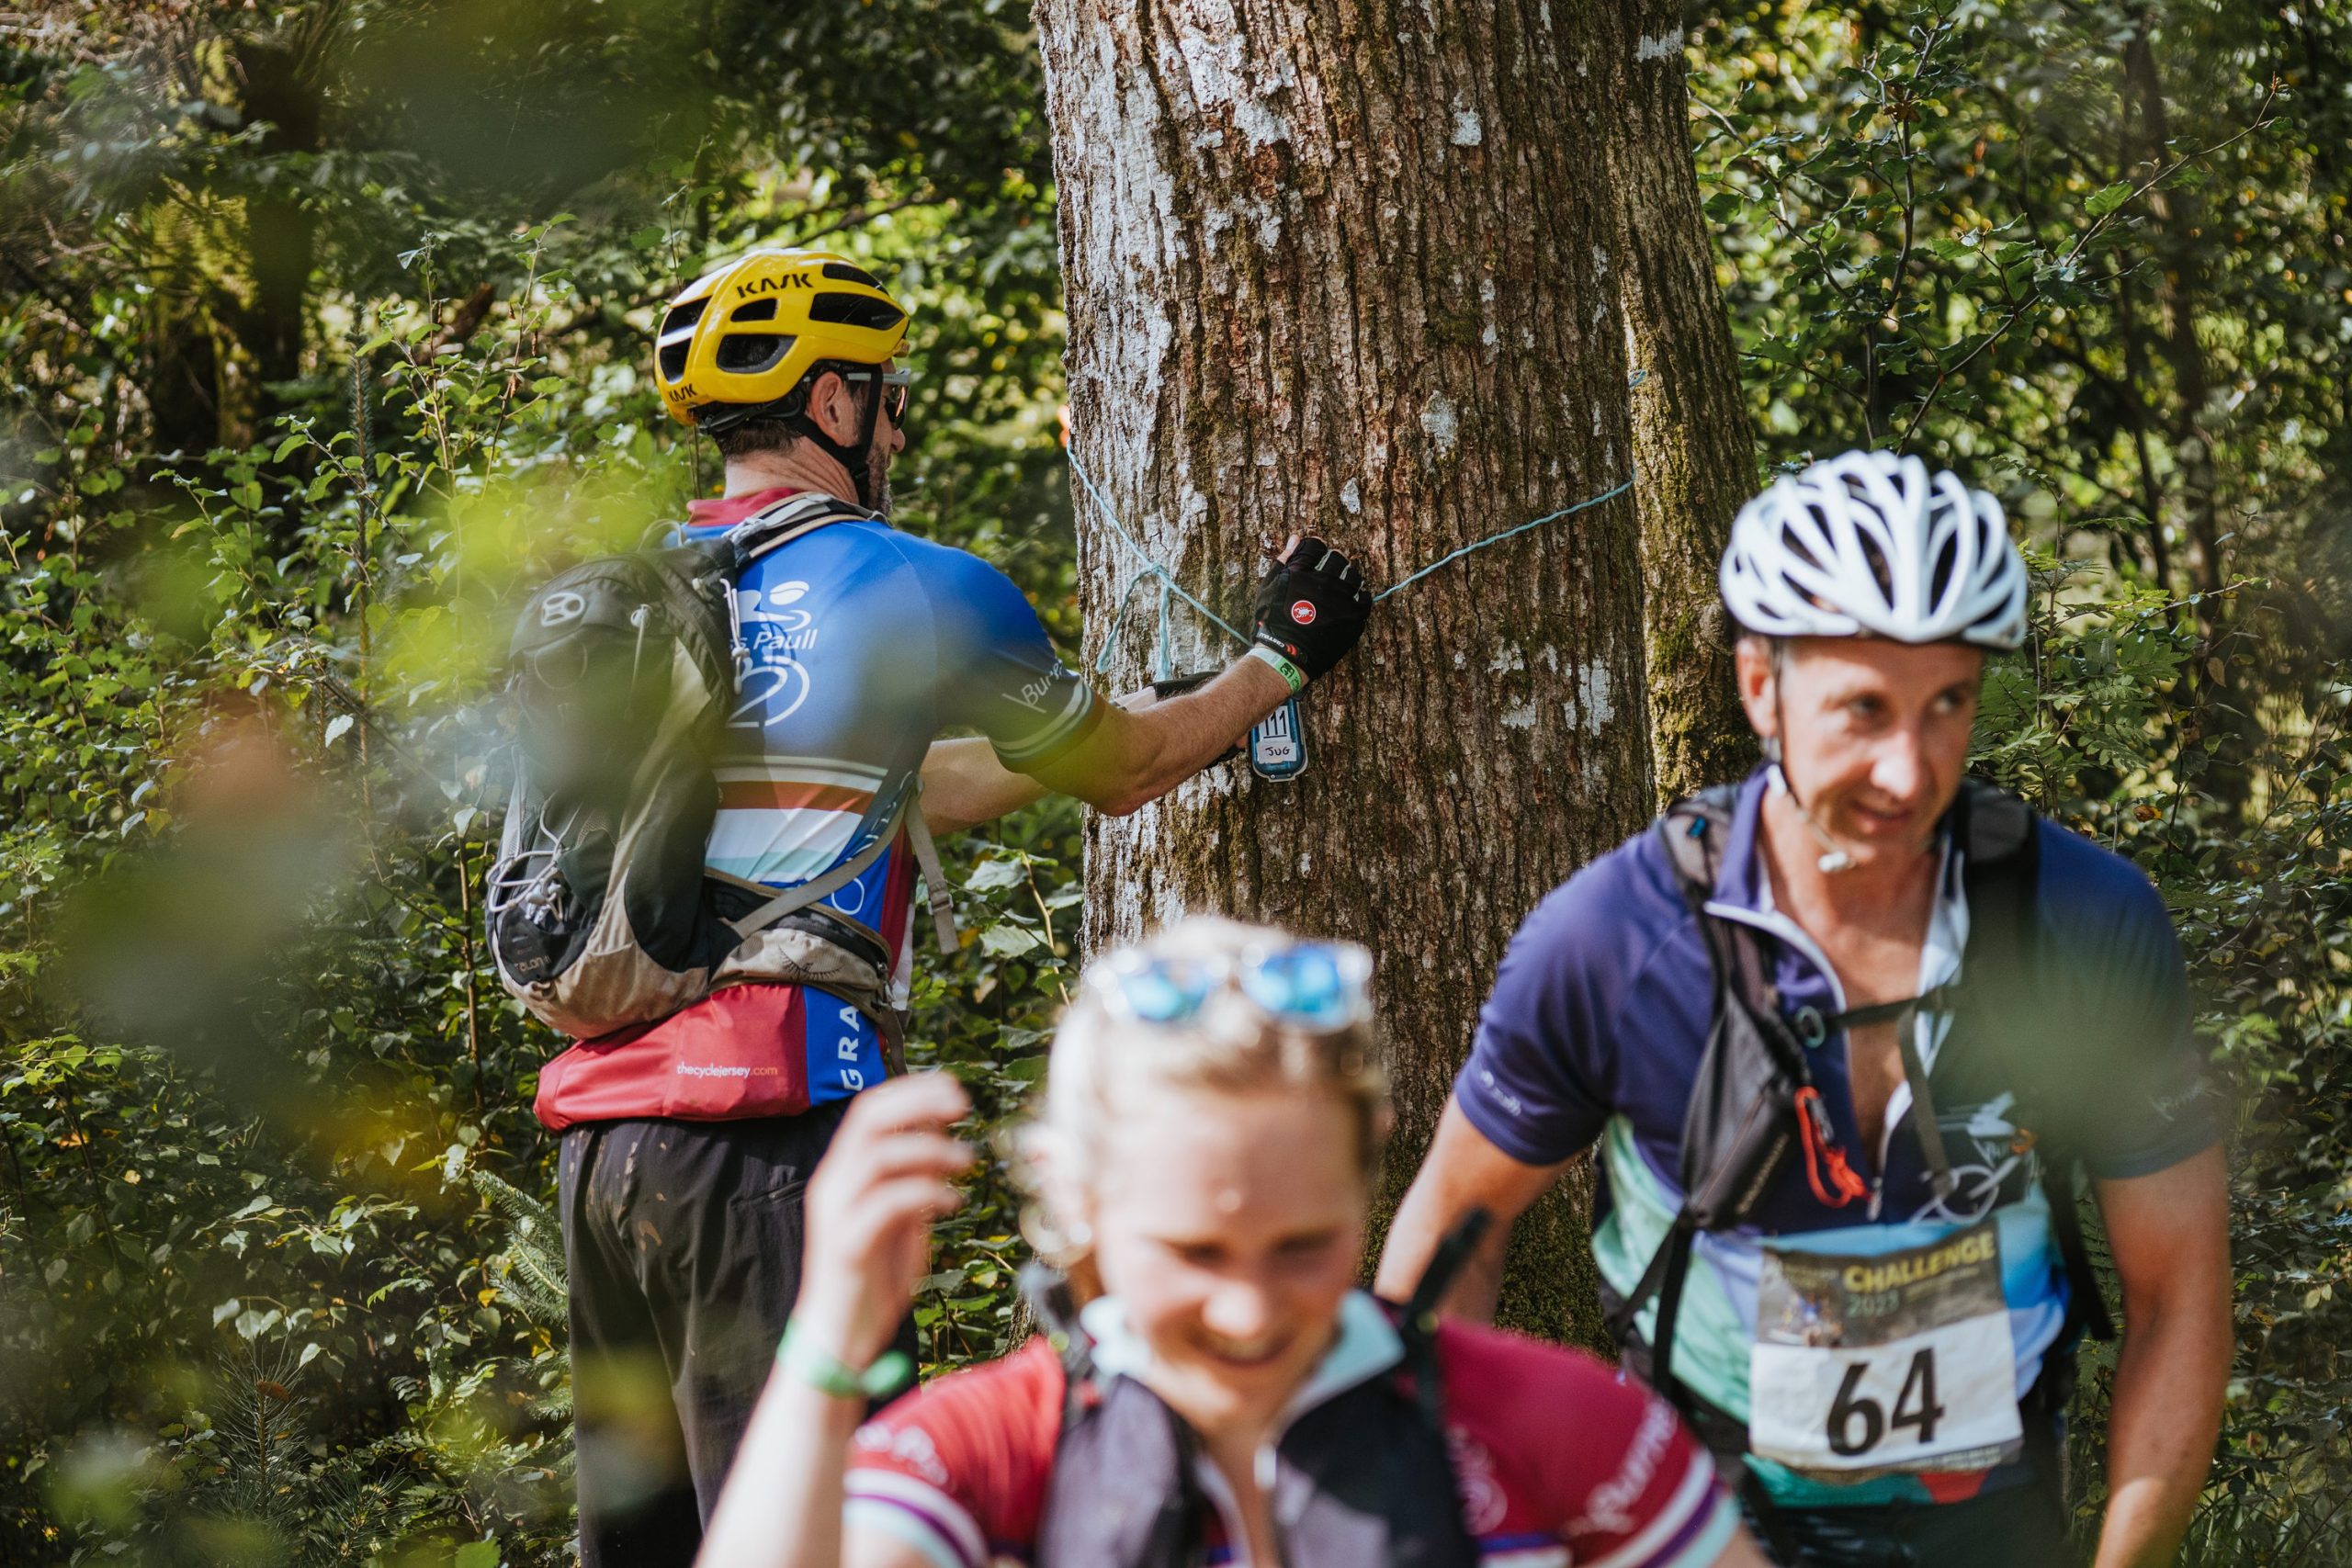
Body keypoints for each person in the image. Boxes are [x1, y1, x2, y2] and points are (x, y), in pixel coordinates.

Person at [548, 248, 1376, 1566]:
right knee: (822, 1531)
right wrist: (1280, 658)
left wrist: (1137, 722)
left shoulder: (648, 591)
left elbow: (902, 788)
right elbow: (1126, 770)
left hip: (603, 1147)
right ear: (832, 403)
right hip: (768, 1135)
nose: (895, 427)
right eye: (886, 397)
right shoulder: (916, 584)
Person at [1375, 451, 2231, 1568]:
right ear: (1759, 688)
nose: (1907, 772)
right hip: (1695, 1514)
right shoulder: (1614, 940)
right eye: (1862, 709)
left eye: (1947, 705)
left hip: (1993, 1510)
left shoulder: (2082, 922)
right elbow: (1448, 1239)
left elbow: (2177, 1290)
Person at [697, 915, 1771, 1568]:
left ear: (1367, 1178)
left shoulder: (1563, 1431)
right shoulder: (992, 1454)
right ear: (1077, 1204)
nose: (1251, 1311)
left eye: (1303, 1244)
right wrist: (829, 1345)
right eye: (1195, 1253)